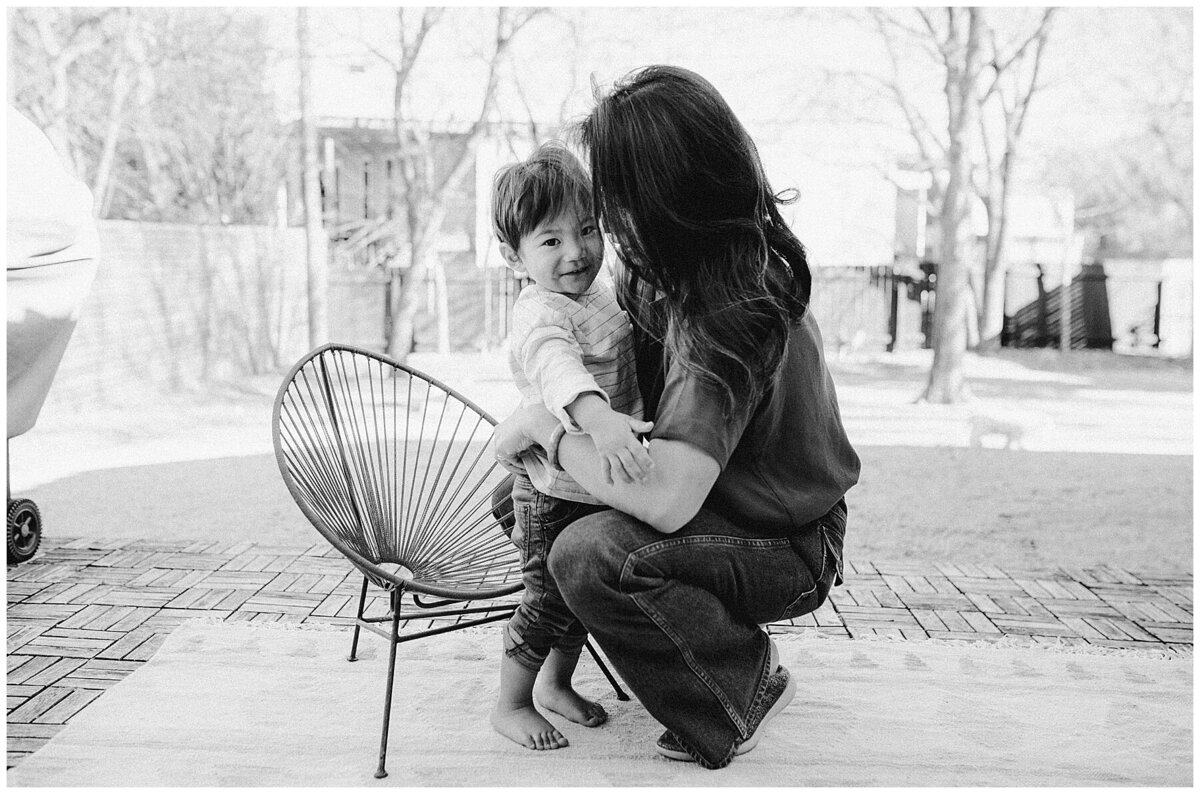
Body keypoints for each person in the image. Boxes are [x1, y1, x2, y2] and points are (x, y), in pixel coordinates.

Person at [493, 66, 861, 769]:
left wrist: (544, 427)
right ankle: (565, 666)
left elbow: (663, 500)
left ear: (660, 196)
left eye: (610, 206)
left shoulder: (729, 313)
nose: (602, 230)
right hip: (727, 504)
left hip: (788, 541)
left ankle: (737, 684)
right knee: (528, 502)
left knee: (588, 549)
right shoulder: (671, 270)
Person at [488, 141, 655, 752]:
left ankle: (557, 686)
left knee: (576, 599)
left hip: (594, 483)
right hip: (552, 491)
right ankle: (510, 703)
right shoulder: (540, 313)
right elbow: (556, 369)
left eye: (587, 230)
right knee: (545, 600)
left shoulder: (598, 291)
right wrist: (600, 419)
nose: (576, 251)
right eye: (551, 241)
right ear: (515, 256)